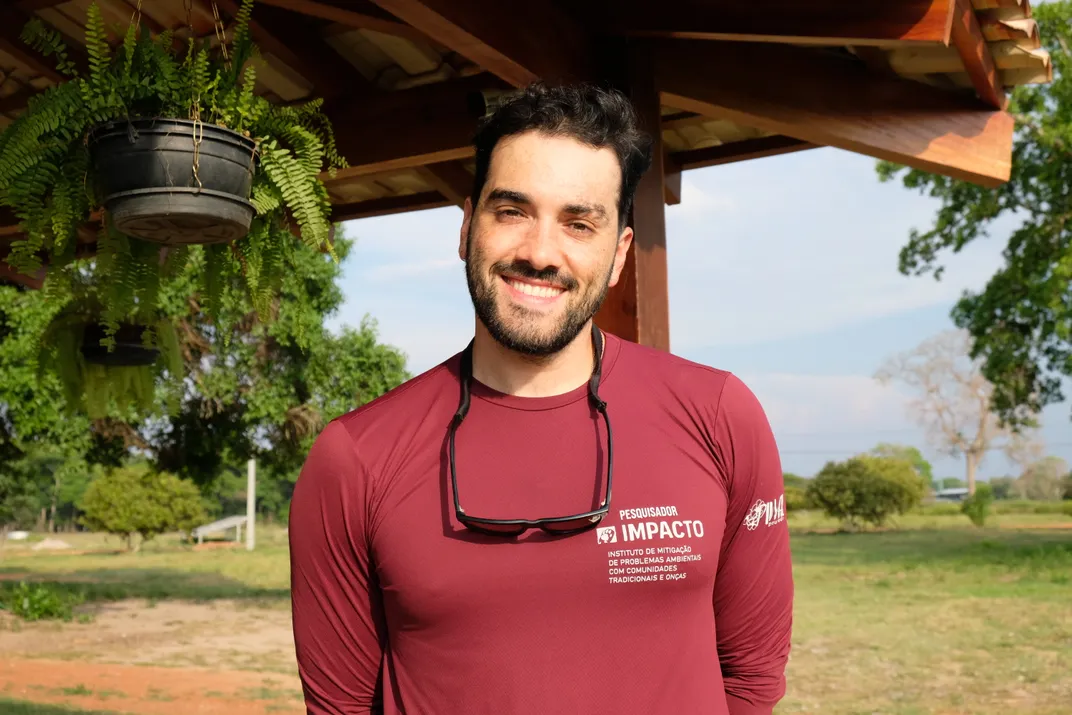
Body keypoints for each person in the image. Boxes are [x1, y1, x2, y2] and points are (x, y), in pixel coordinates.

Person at [289, 82, 794, 715]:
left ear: (618, 256)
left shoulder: (719, 416)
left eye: (579, 224)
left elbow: (751, 678)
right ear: (468, 227)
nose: (539, 253)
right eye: (511, 212)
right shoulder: (355, 459)